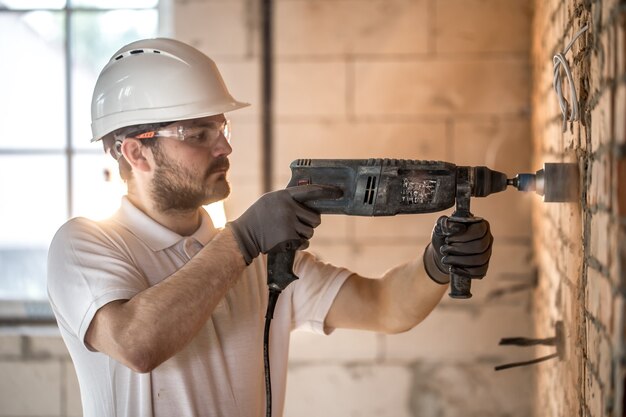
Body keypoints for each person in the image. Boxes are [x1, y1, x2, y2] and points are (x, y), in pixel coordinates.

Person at [47, 38, 493, 417]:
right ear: (135, 153)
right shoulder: (85, 246)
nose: (225, 146)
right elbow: (135, 343)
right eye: (198, 134)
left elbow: (384, 306)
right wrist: (242, 239)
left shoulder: (263, 259)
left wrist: (436, 262)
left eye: (221, 127)